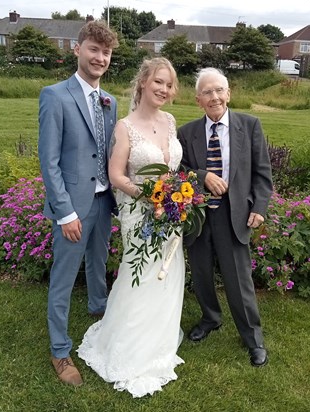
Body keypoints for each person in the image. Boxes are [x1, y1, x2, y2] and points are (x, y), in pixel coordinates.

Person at [77, 57, 185, 398]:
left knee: (167, 273)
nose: (164, 90)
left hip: (170, 210)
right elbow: (116, 175)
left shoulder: (170, 121)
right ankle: (128, 345)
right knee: (138, 272)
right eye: (158, 83)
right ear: (142, 83)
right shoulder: (125, 126)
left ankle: (159, 338)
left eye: (169, 85)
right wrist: (148, 195)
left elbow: (171, 166)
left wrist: (175, 197)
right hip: (139, 212)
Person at [38, 20, 119, 386]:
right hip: (74, 206)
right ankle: (59, 350)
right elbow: (49, 161)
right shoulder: (55, 96)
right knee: (64, 277)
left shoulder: (110, 101)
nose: (100, 57)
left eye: (106, 52)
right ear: (77, 48)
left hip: (103, 203)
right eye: (94, 49)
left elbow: (109, 154)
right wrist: (65, 212)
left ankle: (98, 312)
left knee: (98, 262)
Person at [177, 67, 273, 367]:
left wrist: (259, 207)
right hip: (199, 217)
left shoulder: (250, 125)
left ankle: (252, 338)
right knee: (202, 275)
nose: (214, 96)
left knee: (238, 281)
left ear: (229, 93)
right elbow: (180, 171)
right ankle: (211, 318)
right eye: (207, 92)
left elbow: (262, 174)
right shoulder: (187, 132)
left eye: (219, 90)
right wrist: (203, 175)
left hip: (234, 217)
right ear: (198, 100)